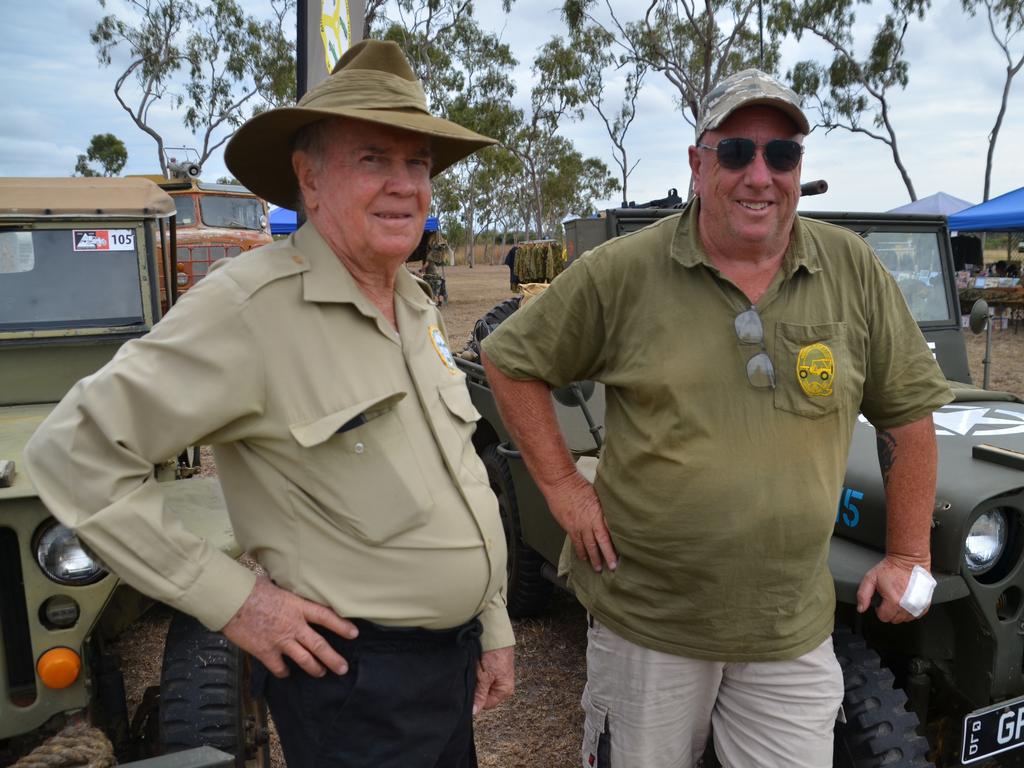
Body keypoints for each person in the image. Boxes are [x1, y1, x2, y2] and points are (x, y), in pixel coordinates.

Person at [25, 40, 514, 768]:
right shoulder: (251, 306)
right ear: (308, 180)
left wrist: (493, 618)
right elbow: (73, 452)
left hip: (451, 665)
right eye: (373, 159)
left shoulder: (410, 301)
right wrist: (234, 601)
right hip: (356, 681)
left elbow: (457, 478)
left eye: (417, 164)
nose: (405, 184)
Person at [480, 68, 952, 767]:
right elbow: (510, 359)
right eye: (735, 152)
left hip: (790, 631)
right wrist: (563, 488)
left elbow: (909, 416)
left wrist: (911, 552)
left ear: (798, 168)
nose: (759, 175)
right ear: (699, 165)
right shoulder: (625, 272)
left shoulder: (850, 268)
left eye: (781, 154)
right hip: (650, 625)